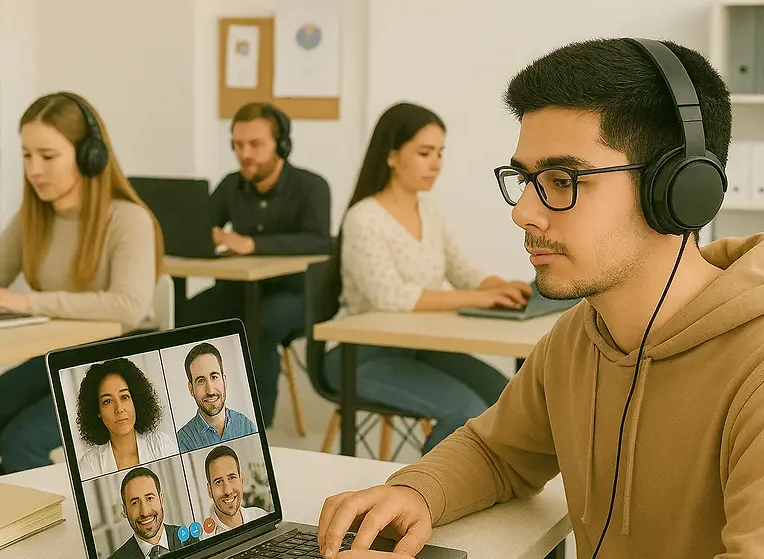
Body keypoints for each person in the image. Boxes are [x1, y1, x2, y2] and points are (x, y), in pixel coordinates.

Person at [311, 39, 764, 559]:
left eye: (562, 179)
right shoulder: (582, 335)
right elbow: (499, 451)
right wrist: (416, 491)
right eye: (525, 180)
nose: (524, 211)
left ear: (677, 190)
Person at [0, 92, 164, 481]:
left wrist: (25, 301)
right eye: (27, 155)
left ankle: (55, 529)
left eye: (47, 156)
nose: (34, 169)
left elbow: (128, 305)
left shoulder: (128, 218)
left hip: (116, 360)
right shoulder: (33, 216)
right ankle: (4, 526)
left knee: (21, 442)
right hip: (57, 353)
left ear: (88, 154)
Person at [326, 102, 531, 453]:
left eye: (439, 152)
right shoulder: (365, 218)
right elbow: (389, 297)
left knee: (507, 395)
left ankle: (485, 486)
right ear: (391, 156)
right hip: (360, 356)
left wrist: (500, 285)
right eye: (424, 152)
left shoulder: (429, 210)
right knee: (464, 409)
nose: (436, 163)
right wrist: (479, 299)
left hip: (419, 350)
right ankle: (425, 496)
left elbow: (461, 269)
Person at [180, 102, 331, 430]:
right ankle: (189, 410)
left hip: (297, 294)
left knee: (261, 321)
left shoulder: (312, 186)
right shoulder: (231, 184)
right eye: (237, 144)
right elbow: (199, 228)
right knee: (186, 315)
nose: (244, 153)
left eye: (255, 144)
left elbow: (321, 242)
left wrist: (253, 245)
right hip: (241, 288)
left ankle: (257, 423)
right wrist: (202, 235)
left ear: (282, 145)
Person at [75, 357, 179, 480]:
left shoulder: (162, 445)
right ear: (97, 411)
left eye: (124, 397)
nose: (119, 409)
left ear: (135, 401)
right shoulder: (90, 465)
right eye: (107, 401)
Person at [105, 466, 197, 559]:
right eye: (135, 503)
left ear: (161, 500)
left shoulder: (189, 538)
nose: (144, 512)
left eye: (149, 498)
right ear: (125, 510)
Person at [176, 342, 257, 454]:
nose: (210, 391)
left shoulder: (246, 426)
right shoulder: (183, 441)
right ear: (191, 389)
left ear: (224, 381)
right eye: (201, 381)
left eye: (214, 377)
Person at [200, 445, 269, 538]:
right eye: (219, 482)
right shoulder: (203, 538)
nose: (228, 491)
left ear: (241, 480)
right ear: (209, 490)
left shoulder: (261, 516)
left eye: (232, 478)